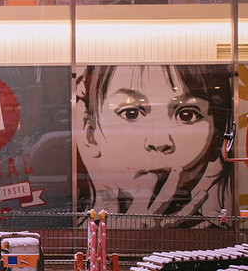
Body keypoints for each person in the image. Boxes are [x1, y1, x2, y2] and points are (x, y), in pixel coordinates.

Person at [74, 64, 232, 224]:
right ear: (91, 135)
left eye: (186, 115)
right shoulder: (77, 235)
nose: (160, 142)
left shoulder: (218, 240)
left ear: (215, 139)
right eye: (131, 113)